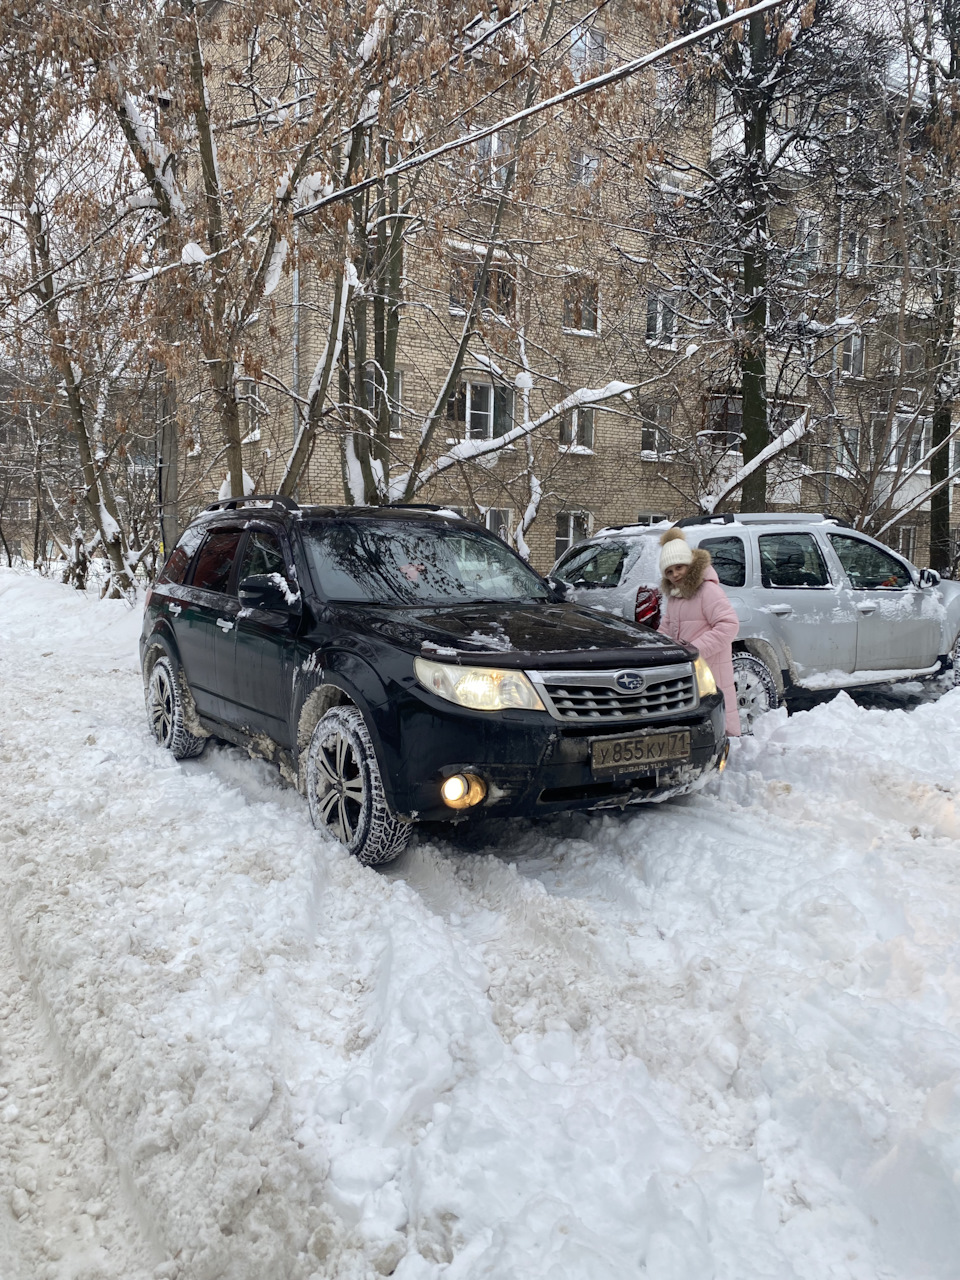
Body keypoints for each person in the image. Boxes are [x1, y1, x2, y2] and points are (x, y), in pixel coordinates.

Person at [657, 527, 741, 738]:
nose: (675, 574)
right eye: (669, 571)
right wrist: (657, 648)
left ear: (690, 564)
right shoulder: (676, 596)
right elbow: (667, 627)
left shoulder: (708, 591)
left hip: (711, 667)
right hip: (690, 669)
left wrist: (693, 650)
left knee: (717, 720)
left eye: (679, 567)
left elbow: (729, 625)